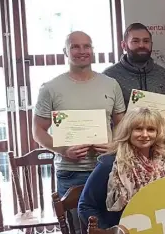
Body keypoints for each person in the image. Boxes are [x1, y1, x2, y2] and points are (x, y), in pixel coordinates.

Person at [32, 31, 126, 197]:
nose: (82, 51)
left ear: (92, 50)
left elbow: (122, 123)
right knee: (74, 222)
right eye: (75, 46)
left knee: (110, 222)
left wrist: (114, 145)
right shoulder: (50, 88)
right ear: (66, 51)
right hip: (70, 172)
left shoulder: (111, 84)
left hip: (107, 166)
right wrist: (63, 150)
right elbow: (38, 130)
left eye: (86, 46)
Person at [103, 23, 165, 174]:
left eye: (146, 41)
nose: (141, 45)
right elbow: (106, 117)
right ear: (123, 45)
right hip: (124, 152)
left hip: (157, 150)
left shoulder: (163, 75)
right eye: (135, 41)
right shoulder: (109, 76)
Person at [78, 108, 165, 229]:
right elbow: (85, 206)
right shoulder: (110, 164)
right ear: (128, 131)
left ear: (158, 133)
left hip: (157, 230)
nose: (145, 135)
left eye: (150, 129)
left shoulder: (163, 162)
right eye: (138, 129)